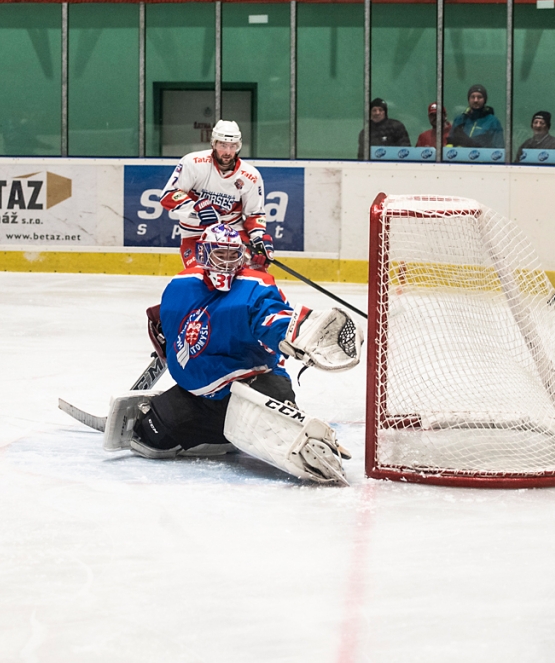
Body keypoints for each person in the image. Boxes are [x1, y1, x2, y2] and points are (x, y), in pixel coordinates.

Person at [101, 224, 361, 485]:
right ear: (203, 254)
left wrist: (300, 334)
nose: (226, 263)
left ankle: (262, 430)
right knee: (150, 438)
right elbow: (170, 322)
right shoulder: (180, 284)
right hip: (199, 398)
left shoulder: (254, 287)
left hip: (251, 389)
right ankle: (222, 434)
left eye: (232, 255)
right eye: (219, 255)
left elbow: (272, 317)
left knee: (296, 446)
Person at [159, 120, 274, 271]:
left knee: (255, 272)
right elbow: (168, 195)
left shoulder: (250, 175)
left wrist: (258, 238)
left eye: (233, 146)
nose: (227, 152)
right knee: (201, 276)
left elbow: (254, 213)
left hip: (233, 233)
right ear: (213, 143)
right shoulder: (193, 163)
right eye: (223, 145)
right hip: (196, 234)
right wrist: (197, 210)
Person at [447, 84, 505, 149]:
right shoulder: (459, 120)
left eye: (479, 97)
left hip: (483, 158)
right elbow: (450, 143)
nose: (476, 100)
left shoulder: (493, 122)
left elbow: (499, 148)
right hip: (459, 158)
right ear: (468, 99)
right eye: (472, 97)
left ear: (484, 100)